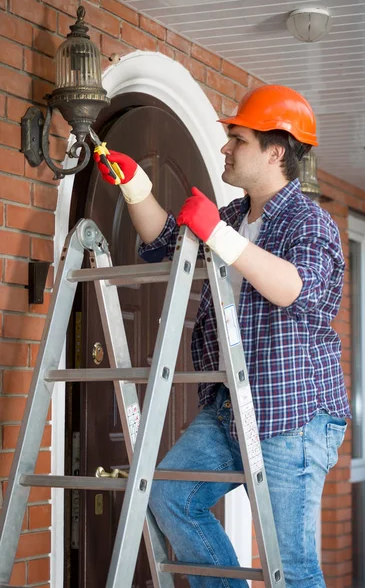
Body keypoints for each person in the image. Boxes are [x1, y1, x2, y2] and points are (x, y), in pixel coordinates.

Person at [94, 84, 351, 588]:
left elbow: (294, 289)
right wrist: (137, 188)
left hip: (293, 412)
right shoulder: (234, 217)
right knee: (168, 495)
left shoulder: (310, 223)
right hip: (232, 406)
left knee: (291, 567)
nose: (225, 148)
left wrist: (221, 237)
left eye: (239, 139)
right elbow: (169, 244)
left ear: (276, 151)